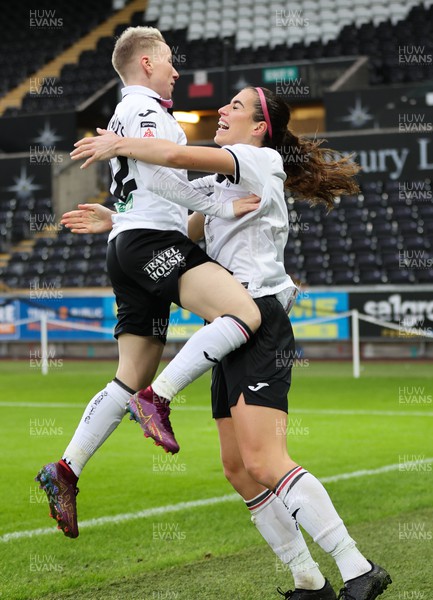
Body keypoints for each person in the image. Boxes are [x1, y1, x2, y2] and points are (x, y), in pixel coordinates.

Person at [68, 86, 391, 600]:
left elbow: (172, 153)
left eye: (234, 107)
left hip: (257, 319)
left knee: (265, 461)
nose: (222, 110)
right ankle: (307, 579)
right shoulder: (226, 177)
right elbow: (189, 226)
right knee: (240, 470)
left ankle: (358, 567)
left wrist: (119, 144)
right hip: (229, 325)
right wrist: (118, 220)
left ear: (260, 126)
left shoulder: (256, 159)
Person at [35, 25, 268, 541]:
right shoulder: (145, 110)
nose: (175, 70)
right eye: (168, 62)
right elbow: (163, 174)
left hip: (129, 244)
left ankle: (65, 469)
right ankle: (158, 401)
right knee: (244, 313)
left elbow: (152, 180)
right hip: (151, 244)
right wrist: (219, 203)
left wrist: (115, 218)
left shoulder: (134, 112)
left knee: (128, 375)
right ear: (145, 65)